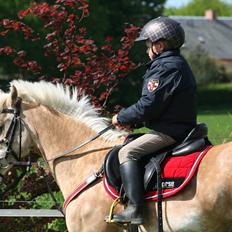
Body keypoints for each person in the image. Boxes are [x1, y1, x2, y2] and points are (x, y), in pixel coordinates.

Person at [110, 16, 197, 225]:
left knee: (126, 151)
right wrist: (135, 123)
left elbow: (149, 105)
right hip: (177, 126)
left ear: (159, 45)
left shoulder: (165, 67)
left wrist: (121, 117)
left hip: (170, 132)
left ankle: (135, 210)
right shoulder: (177, 64)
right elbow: (163, 106)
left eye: (148, 44)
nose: (147, 49)